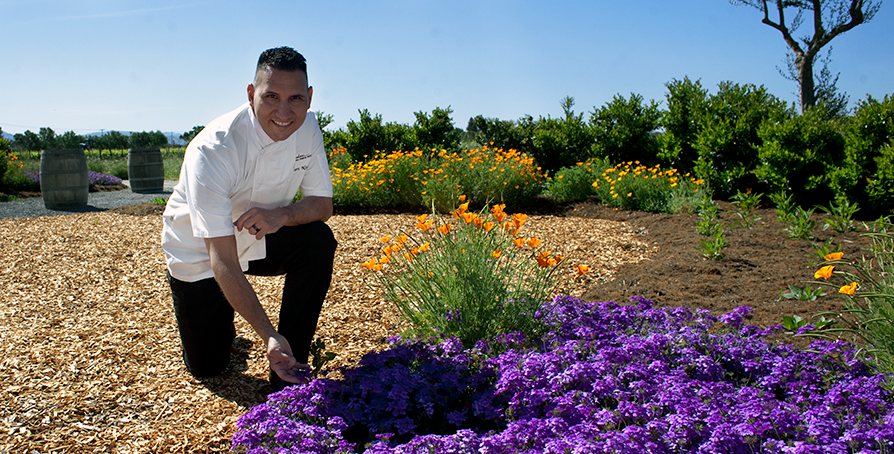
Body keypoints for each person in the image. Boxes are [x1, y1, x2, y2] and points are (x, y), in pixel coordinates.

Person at [161, 47, 336, 392]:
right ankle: (224, 326)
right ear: (250, 94)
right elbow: (221, 258)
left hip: (259, 235)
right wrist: (268, 334)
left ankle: (288, 374)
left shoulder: (309, 126)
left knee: (318, 241)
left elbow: (322, 205)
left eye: (296, 98)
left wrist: (283, 215)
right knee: (209, 367)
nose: (284, 112)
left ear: (310, 98)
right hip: (200, 254)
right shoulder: (213, 149)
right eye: (271, 96)